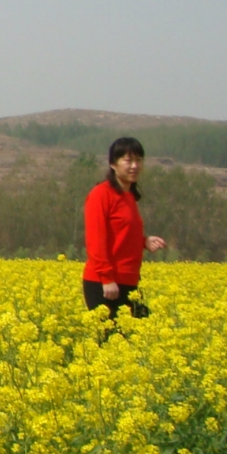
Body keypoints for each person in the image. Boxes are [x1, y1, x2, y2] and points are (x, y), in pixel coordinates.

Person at [83, 136, 167, 319]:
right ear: (113, 164)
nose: (134, 166)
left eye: (138, 160)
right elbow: (96, 239)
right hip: (106, 284)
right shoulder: (101, 194)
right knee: (112, 342)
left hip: (129, 280)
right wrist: (107, 279)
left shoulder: (129, 197)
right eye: (128, 160)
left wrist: (144, 241)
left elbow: (121, 233)